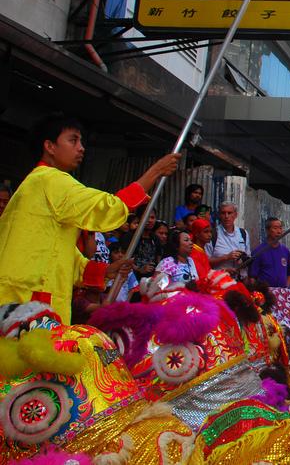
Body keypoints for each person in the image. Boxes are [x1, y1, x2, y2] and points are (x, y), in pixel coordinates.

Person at [0, 113, 179, 323]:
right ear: (49, 146)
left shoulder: (39, 182)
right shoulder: (50, 179)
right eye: (73, 140)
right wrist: (156, 171)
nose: (81, 148)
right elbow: (107, 209)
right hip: (29, 303)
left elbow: (61, 257)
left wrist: (106, 270)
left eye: (81, 141)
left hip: (25, 302)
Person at [249, 217, 290, 289]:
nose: (279, 231)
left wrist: (286, 288)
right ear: (267, 230)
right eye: (275, 228)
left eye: (280, 228)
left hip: (282, 293)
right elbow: (252, 277)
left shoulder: (286, 251)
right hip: (265, 293)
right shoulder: (258, 251)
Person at [209, 201, 249, 277]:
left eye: (229, 213)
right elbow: (205, 262)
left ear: (235, 215)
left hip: (240, 280)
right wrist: (226, 257)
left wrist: (243, 260)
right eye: (223, 213)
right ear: (219, 215)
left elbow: (248, 258)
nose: (226, 216)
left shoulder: (243, 233)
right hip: (220, 280)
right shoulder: (212, 234)